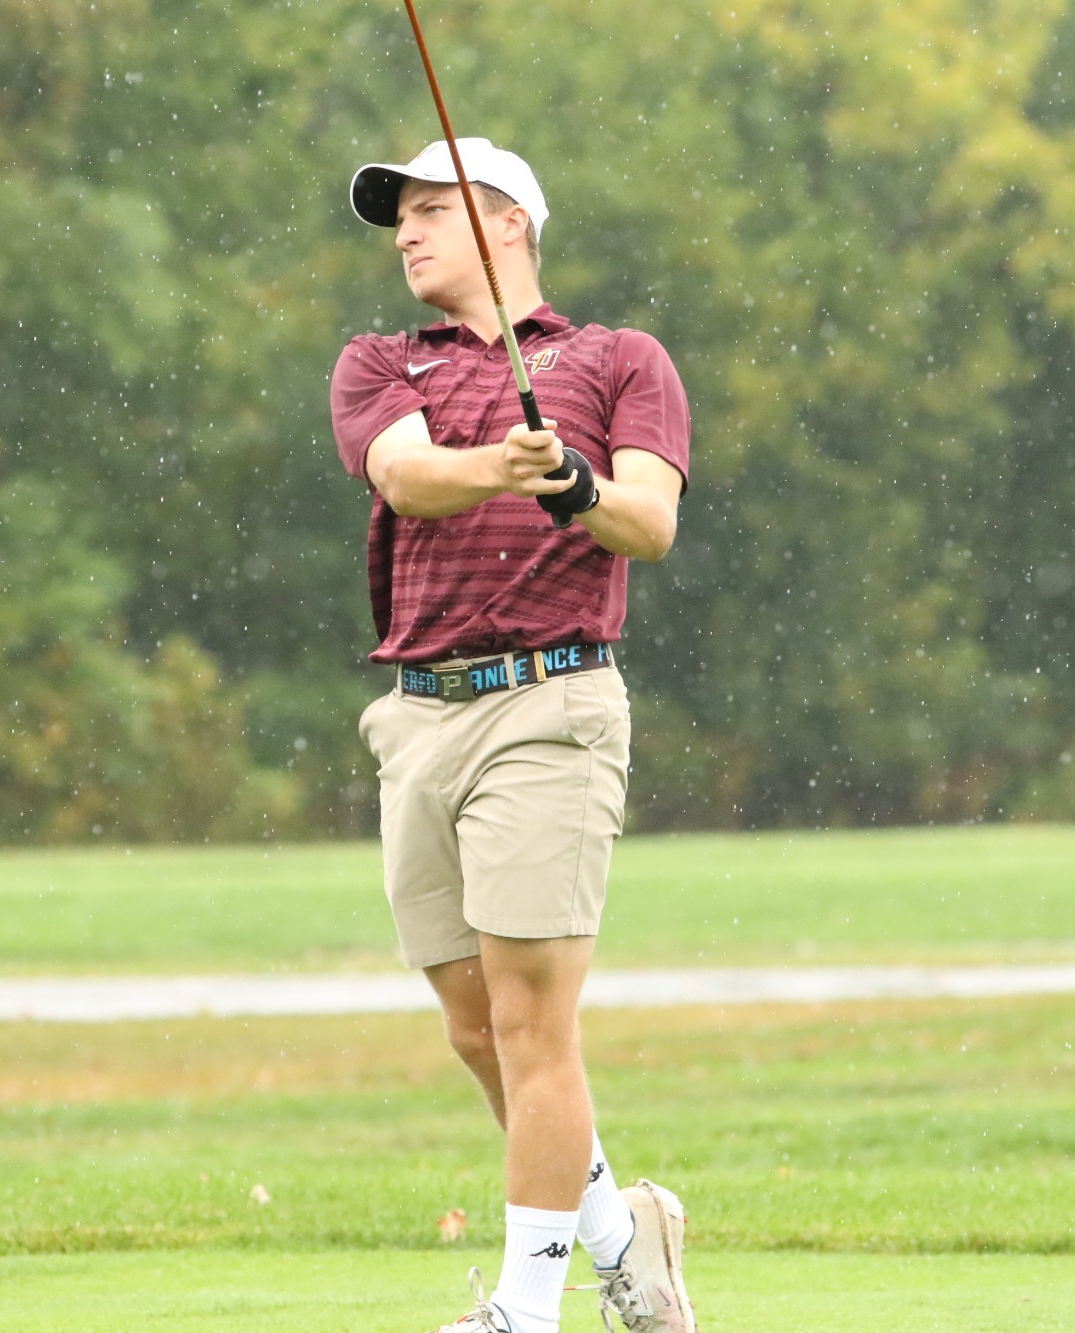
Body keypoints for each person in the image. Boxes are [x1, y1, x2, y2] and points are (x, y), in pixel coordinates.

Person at [329, 137, 695, 1333]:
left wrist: (573, 488)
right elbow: (405, 476)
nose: (406, 233)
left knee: (536, 1021)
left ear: (509, 226)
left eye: (433, 211)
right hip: (415, 717)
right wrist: (503, 463)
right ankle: (615, 1231)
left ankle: (525, 1313)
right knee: (472, 1024)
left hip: (551, 705)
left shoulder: (618, 361)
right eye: (400, 217)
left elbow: (645, 523)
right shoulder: (379, 362)